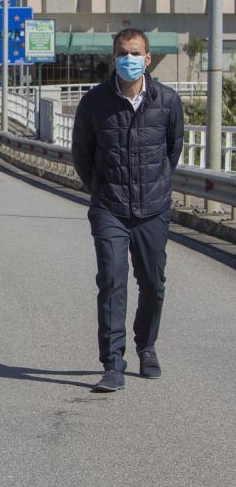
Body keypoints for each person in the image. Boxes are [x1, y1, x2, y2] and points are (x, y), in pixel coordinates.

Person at [71, 29, 183, 393]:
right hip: (110, 208)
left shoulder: (167, 101)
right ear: (113, 57)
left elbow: (172, 151)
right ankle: (113, 363)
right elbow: (82, 155)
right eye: (122, 53)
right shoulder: (94, 102)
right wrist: (100, 191)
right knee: (112, 281)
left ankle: (146, 348)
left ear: (147, 58)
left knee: (153, 284)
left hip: (152, 209)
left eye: (135, 53)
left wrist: (156, 189)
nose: (129, 59)